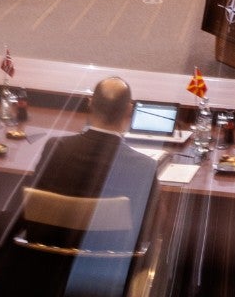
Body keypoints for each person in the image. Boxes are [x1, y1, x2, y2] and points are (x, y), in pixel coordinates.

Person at [21, 76, 158, 252]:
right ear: (129, 110)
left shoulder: (56, 147)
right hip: (110, 267)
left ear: (90, 103)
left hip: (48, 259)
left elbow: (34, 203)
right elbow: (149, 228)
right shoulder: (145, 166)